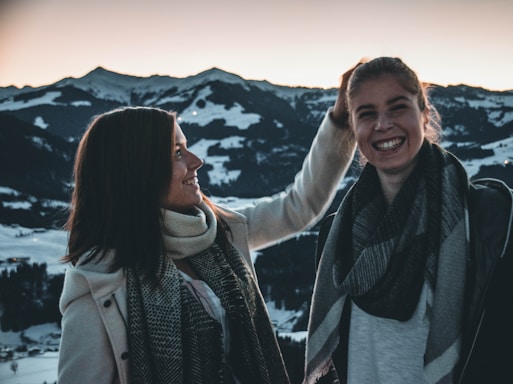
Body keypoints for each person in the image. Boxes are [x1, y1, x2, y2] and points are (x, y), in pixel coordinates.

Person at [304, 57, 513, 384]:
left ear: (424, 113)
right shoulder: (339, 233)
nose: (382, 124)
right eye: (367, 113)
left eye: (397, 107)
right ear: (355, 127)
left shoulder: (494, 221)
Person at [57, 104, 356, 384]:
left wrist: (341, 122)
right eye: (176, 153)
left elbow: (299, 206)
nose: (196, 161)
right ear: (136, 171)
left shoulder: (218, 232)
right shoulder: (97, 286)